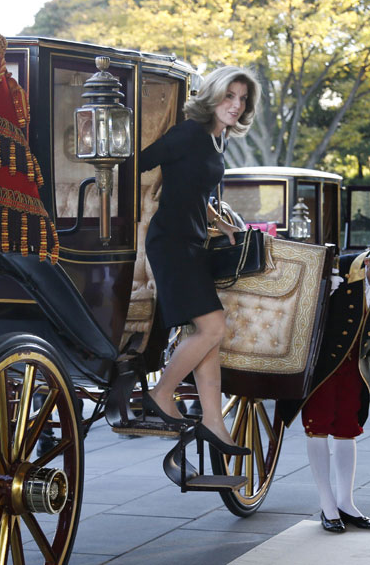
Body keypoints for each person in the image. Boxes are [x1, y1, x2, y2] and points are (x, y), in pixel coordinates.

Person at [139, 66, 260, 456]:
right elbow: (139, 162)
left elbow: (191, 189)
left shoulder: (213, 139)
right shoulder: (189, 133)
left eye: (242, 99)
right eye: (229, 96)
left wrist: (218, 221)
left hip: (191, 243)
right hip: (171, 244)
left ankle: (213, 422)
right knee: (212, 327)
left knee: (208, 337)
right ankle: (161, 392)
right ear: (214, 96)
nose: (236, 105)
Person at [279, 222, 370, 533]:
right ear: (369, 264)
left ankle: (346, 502)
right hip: (323, 364)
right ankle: (327, 504)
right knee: (318, 426)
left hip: (356, 362)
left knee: (347, 428)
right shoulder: (336, 268)